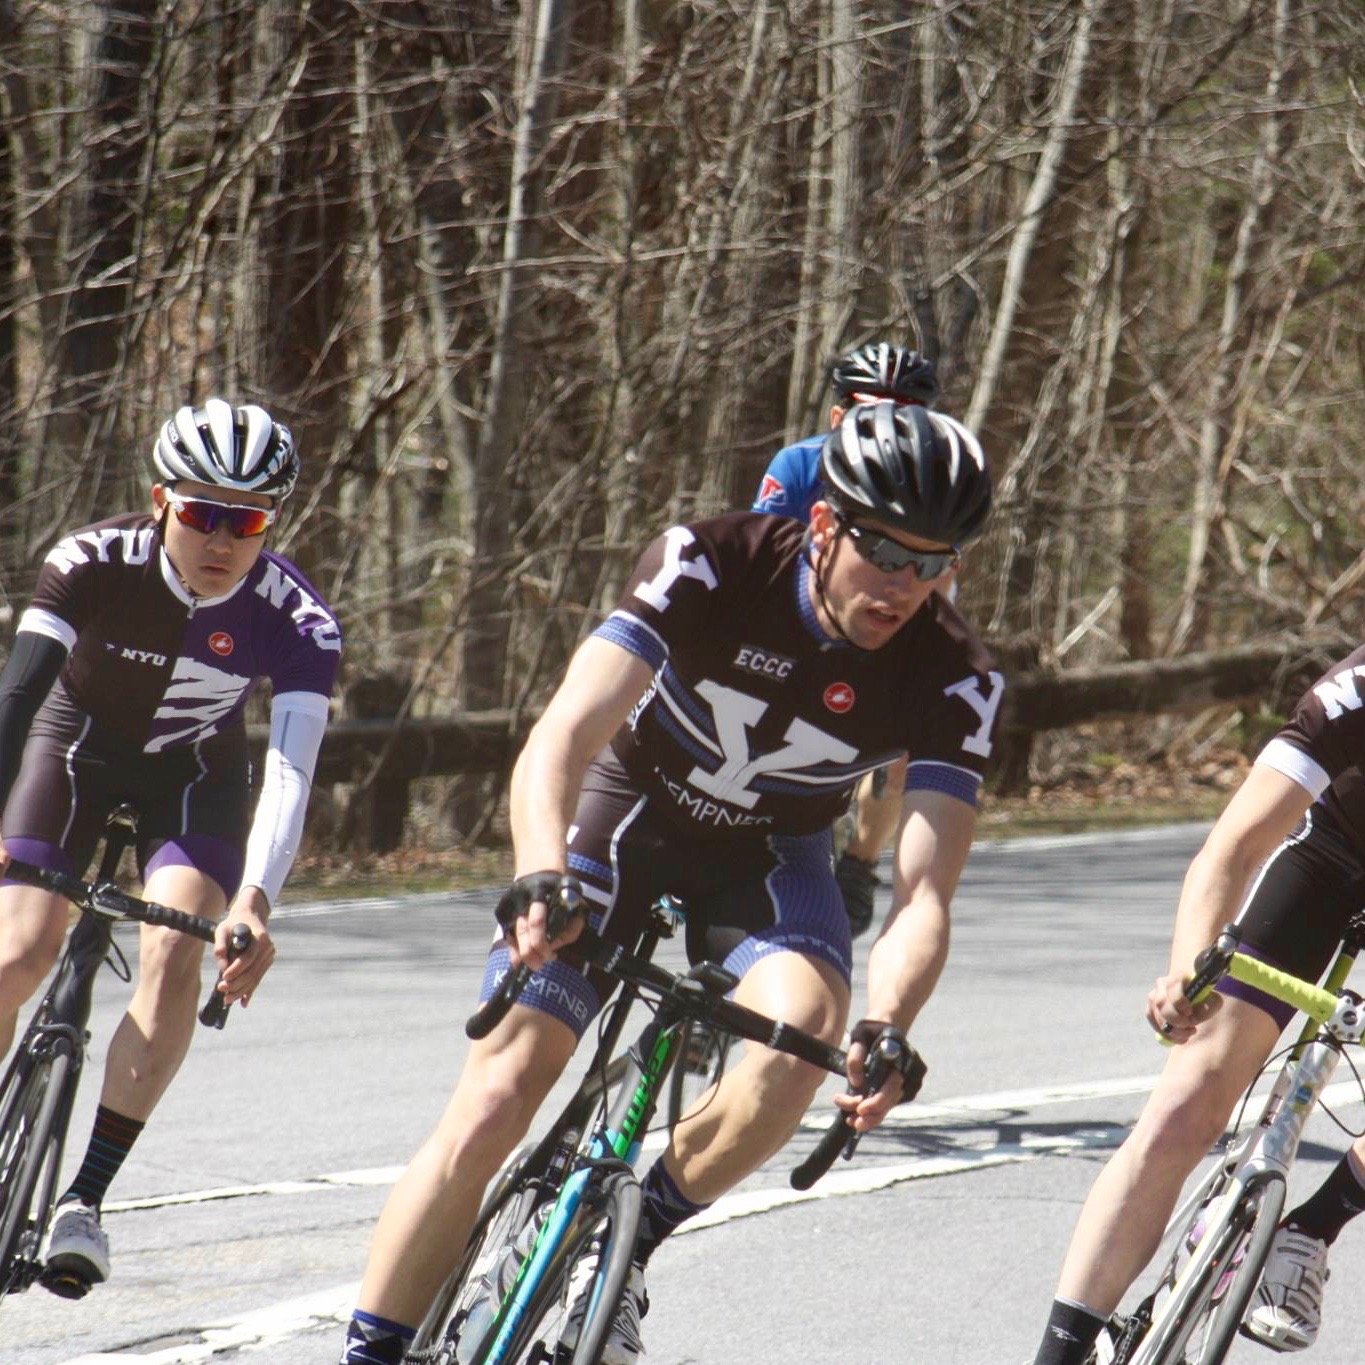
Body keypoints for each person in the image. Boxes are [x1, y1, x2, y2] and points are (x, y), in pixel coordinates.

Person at [338, 399, 1003, 1365]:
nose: (905, 585)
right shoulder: (710, 560)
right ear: (824, 523)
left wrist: (889, 1022)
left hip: (770, 856)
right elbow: (563, 735)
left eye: (934, 561)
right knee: (499, 1091)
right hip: (626, 814)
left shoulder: (954, 677)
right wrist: (538, 873)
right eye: (886, 553)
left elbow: (925, 892)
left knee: (803, 1036)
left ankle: (626, 1242)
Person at [0, 398, 341, 1295]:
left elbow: (291, 772)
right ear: (161, 501)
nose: (222, 537)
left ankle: (84, 1201)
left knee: (178, 950)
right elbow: (19, 696)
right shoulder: (89, 561)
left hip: (190, 778)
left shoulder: (300, 620)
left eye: (249, 519)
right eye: (202, 512)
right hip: (72, 749)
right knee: (17, 949)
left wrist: (256, 902)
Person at [1029, 646, 1365, 1363]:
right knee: (1187, 1097)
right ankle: (1057, 1353)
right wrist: (1189, 970)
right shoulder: (1355, 690)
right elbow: (1232, 850)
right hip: (1333, 855)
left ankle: (1310, 1227)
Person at [752, 342, 942, 937]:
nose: (887, 428)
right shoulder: (798, 465)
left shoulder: (934, 487)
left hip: (877, 633)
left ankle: (858, 867)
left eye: (905, 417)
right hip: (794, 623)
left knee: (901, 742)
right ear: (838, 419)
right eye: (870, 413)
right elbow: (760, 565)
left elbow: (934, 595)